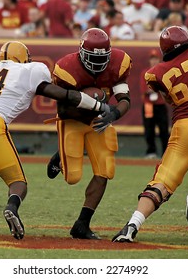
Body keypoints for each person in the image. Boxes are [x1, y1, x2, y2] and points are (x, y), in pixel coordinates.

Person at [0, 40, 113, 240]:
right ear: (23, 57)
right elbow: (65, 95)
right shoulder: (32, 70)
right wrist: (98, 106)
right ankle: (11, 208)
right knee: (18, 183)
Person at [110, 26, 188, 243]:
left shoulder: (155, 73)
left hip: (184, 130)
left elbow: (169, 99)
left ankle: (132, 225)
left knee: (162, 183)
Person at [47, 28, 132, 239]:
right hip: (73, 120)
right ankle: (61, 155)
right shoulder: (66, 68)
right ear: (82, 53)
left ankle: (82, 224)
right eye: (93, 57)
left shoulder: (119, 62)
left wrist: (114, 114)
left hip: (100, 122)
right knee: (72, 177)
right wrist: (93, 102)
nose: (97, 62)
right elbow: (64, 109)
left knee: (105, 171)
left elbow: (124, 100)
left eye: (102, 58)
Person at [140, 48, 169, 159]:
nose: (154, 61)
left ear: (159, 59)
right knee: (149, 128)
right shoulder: (145, 72)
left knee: (164, 129)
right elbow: (145, 90)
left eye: (156, 58)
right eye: (152, 58)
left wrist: (154, 89)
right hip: (148, 105)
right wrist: (157, 88)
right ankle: (151, 151)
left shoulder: (163, 71)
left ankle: (165, 152)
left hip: (161, 104)